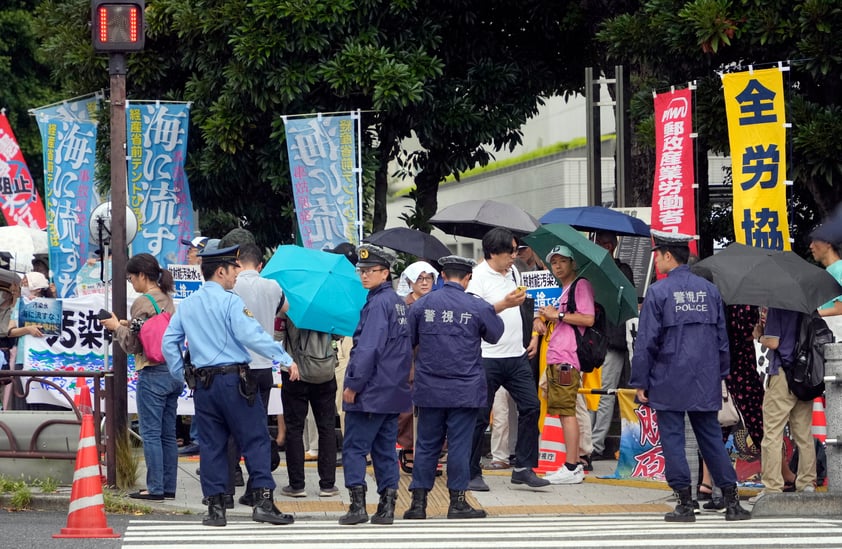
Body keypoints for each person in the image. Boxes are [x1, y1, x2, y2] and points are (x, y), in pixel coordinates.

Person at [161, 244, 298, 527]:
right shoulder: (231, 301)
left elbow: (168, 342)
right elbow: (252, 334)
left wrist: (181, 374)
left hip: (203, 385)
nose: (237, 274)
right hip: (235, 381)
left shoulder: (189, 304)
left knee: (212, 444)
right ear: (220, 271)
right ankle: (263, 502)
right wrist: (283, 357)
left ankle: (216, 508)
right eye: (233, 268)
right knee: (256, 438)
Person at [630, 229, 750, 522]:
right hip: (705, 377)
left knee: (672, 439)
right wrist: (720, 373)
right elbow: (723, 339)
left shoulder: (658, 292)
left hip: (668, 377)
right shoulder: (710, 291)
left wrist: (641, 381)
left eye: (657, 255)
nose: (656, 261)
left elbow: (646, 341)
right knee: (710, 437)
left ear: (668, 256)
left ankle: (685, 503)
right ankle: (732, 502)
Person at [403, 255, 504, 520]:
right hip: (464, 390)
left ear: (442, 277)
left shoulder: (421, 306)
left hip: (429, 389)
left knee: (425, 445)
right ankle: (457, 503)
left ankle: (418, 504)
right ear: (468, 278)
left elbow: (407, 342)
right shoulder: (476, 306)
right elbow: (495, 334)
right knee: (459, 445)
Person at [467, 227, 549, 491]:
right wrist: (504, 304)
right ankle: (470, 471)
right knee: (479, 415)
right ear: (493, 252)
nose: (515, 255)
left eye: (516, 250)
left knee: (531, 406)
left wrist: (533, 334)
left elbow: (525, 307)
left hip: (516, 355)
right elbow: (474, 315)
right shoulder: (477, 277)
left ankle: (524, 467)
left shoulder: (513, 272)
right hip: (486, 357)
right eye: (510, 251)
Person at [338, 244, 412, 526]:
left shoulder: (379, 304)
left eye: (371, 271)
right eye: (362, 270)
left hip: (371, 390)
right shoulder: (396, 302)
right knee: (383, 448)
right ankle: (387, 505)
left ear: (386, 272)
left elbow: (368, 349)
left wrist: (354, 384)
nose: (364, 275)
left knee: (355, 448)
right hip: (393, 390)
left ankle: (357, 506)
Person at [100, 253, 182, 500]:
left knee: (150, 433)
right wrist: (127, 323)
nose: (131, 282)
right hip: (173, 371)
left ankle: (155, 488)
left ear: (143, 276)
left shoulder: (142, 302)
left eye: (131, 277)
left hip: (152, 371)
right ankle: (169, 486)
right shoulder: (167, 299)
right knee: (168, 434)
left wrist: (116, 328)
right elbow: (149, 329)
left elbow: (134, 343)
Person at [229, 243, 291, 506]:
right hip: (265, 367)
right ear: (261, 265)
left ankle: (231, 481)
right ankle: (256, 486)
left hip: (238, 367)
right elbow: (285, 309)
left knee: (232, 428)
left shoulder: (231, 286)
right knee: (257, 429)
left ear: (237, 263)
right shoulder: (273, 286)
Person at [535, 244, 595, 485]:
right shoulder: (566, 289)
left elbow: (588, 318)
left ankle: (572, 465)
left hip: (567, 359)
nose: (557, 266)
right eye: (554, 262)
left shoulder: (580, 285)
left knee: (567, 413)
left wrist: (556, 316)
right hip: (558, 357)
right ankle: (572, 465)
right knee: (563, 412)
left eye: (562, 261)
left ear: (573, 263)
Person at [750, 307, 817, 503]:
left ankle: (772, 487)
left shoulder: (777, 308)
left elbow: (773, 342)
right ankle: (806, 483)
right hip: (804, 376)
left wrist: (759, 336)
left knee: (772, 432)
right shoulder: (807, 307)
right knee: (803, 433)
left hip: (781, 374)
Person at [280, 317, 339, 498]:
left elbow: (277, 336)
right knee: (327, 427)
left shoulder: (290, 305)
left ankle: (297, 485)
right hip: (325, 373)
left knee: (294, 429)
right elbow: (337, 335)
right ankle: (327, 485)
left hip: (295, 373)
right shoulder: (328, 305)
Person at [590, 231, 634, 461]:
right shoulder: (588, 270)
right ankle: (587, 442)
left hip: (613, 342)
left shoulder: (622, 270)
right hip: (590, 342)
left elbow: (626, 299)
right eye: (599, 243)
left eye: (606, 244)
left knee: (605, 393)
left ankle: (595, 445)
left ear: (612, 246)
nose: (602, 247)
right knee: (589, 395)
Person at [397, 260, 439, 471]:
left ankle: (435, 451)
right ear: (410, 282)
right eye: (419, 279)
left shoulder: (439, 304)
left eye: (428, 278)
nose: (424, 283)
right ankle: (408, 448)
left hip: (434, 362)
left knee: (435, 407)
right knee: (407, 408)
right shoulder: (403, 306)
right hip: (409, 360)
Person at [178, 236, 209, 456]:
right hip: (187, 344)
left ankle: (199, 438)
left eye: (192, 251)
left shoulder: (211, 284)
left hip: (202, 348)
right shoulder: (180, 282)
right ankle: (189, 436)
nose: (188, 254)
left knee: (202, 386)